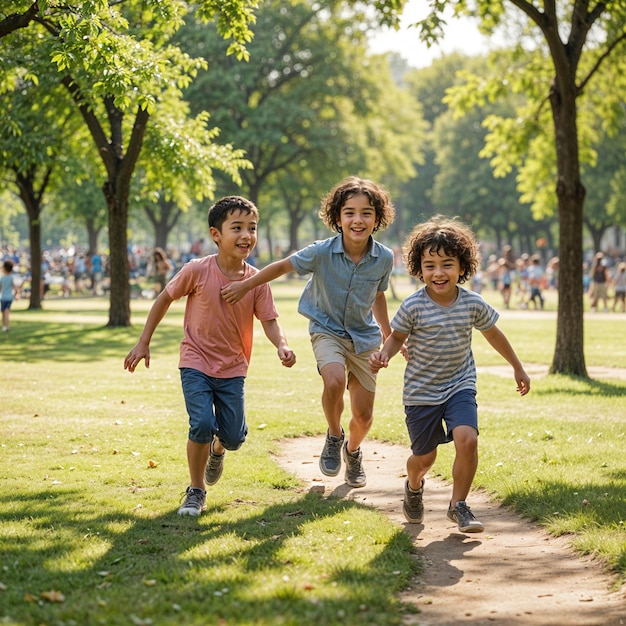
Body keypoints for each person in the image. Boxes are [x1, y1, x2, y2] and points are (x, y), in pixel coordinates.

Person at [124, 196, 296, 516]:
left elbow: (269, 320)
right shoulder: (197, 270)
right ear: (216, 234)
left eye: (252, 228)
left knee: (232, 437)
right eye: (237, 228)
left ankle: (219, 448)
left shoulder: (256, 280)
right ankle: (195, 490)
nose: (246, 235)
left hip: (233, 367)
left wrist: (281, 345)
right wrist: (143, 341)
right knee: (201, 423)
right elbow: (164, 299)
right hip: (196, 360)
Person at [221, 176, 396, 489]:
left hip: (365, 338)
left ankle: (352, 451)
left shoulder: (384, 258)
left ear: (377, 218)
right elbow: (282, 267)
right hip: (326, 329)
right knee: (333, 379)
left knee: (364, 415)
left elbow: (379, 296)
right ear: (338, 218)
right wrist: (247, 284)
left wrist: (389, 334)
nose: (358, 219)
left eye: (366, 212)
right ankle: (334, 434)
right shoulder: (320, 252)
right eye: (350, 212)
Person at [369, 215, 530, 533]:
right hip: (421, 392)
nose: (438, 272)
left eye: (447, 264)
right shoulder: (413, 306)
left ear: (462, 266)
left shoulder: (472, 303)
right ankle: (414, 485)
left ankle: (459, 505)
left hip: (460, 384)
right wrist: (384, 355)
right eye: (430, 265)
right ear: (419, 268)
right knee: (424, 459)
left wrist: (517, 366)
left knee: (467, 440)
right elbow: (397, 338)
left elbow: (493, 334)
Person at [1, 260, 19, 332]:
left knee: (3, 313)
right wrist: (16, 294)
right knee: (6, 312)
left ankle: (4, 326)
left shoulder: (2, 278)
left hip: (3, 297)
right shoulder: (11, 278)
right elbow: (15, 288)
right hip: (9, 297)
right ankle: (6, 326)